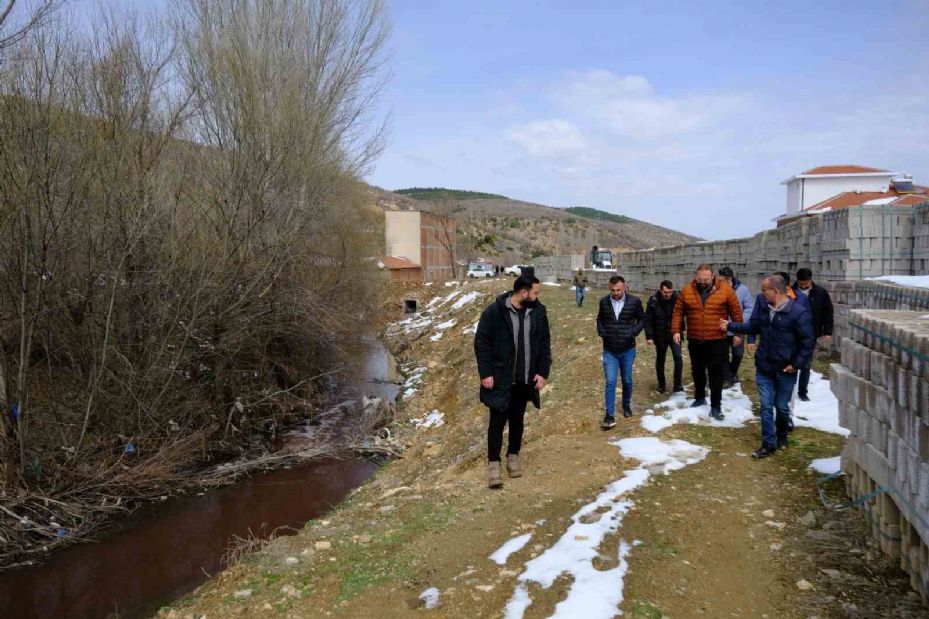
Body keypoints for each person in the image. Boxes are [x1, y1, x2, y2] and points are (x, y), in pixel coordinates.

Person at [722, 274, 814, 458]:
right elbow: (753, 327)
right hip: (764, 366)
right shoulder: (764, 309)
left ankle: (782, 436)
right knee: (765, 406)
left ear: (776, 291)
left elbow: (808, 342)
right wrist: (731, 326)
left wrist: (796, 364)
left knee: (781, 407)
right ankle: (768, 443)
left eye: (765, 290)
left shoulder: (798, 313)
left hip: (785, 369)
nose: (762, 294)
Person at [474, 274, 552, 488]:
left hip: (525, 379)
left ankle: (513, 456)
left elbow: (545, 343)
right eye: (535, 292)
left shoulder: (538, 312)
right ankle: (493, 464)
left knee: (517, 420)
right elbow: (482, 343)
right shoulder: (495, 312)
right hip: (500, 378)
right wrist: (486, 373)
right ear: (523, 292)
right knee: (497, 423)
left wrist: (542, 372)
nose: (538, 296)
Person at [671, 264, 743, 420]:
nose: (702, 282)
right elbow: (678, 312)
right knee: (697, 370)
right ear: (696, 277)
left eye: (706, 279)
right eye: (700, 279)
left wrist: (737, 332)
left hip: (717, 339)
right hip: (695, 338)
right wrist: (676, 330)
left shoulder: (725, 290)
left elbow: (736, 311)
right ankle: (699, 397)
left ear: (712, 276)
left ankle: (716, 406)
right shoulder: (687, 290)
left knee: (715, 373)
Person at [596, 275, 645, 428]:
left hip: (627, 349)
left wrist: (633, 332)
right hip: (610, 350)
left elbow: (642, 319)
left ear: (624, 287)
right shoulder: (604, 302)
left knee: (627, 380)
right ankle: (609, 415)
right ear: (609, 288)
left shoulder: (634, 302)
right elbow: (600, 319)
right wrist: (602, 332)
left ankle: (626, 405)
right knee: (610, 381)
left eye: (618, 290)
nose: (616, 293)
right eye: (613, 290)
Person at [794, 268, 834, 401]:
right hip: (792, 333)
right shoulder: (790, 291)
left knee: (806, 363)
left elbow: (827, 312)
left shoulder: (820, 293)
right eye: (801, 283)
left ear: (811, 280)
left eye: (805, 283)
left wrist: (827, 331)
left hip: (811, 333)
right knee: (791, 361)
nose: (803, 286)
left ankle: (802, 392)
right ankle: (788, 389)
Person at [644, 280, 683, 394]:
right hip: (660, 335)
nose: (668, 295)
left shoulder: (677, 299)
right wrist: (649, 336)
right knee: (661, 360)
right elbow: (648, 319)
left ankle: (678, 385)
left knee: (678, 358)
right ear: (661, 290)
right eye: (666, 292)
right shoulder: (653, 301)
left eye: (670, 292)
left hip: (675, 334)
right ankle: (661, 385)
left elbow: (682, 315)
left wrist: (681, 331)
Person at [717, 267, 754, 388]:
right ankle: (727, 377)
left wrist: (740, 322)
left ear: (729, 279)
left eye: (723, 280)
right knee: (722, 354)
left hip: (737, 327)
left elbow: (749, 307)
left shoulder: (743, 290)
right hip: (721, 328)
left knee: (738, 353)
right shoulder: (716, 290)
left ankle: (733, 372)